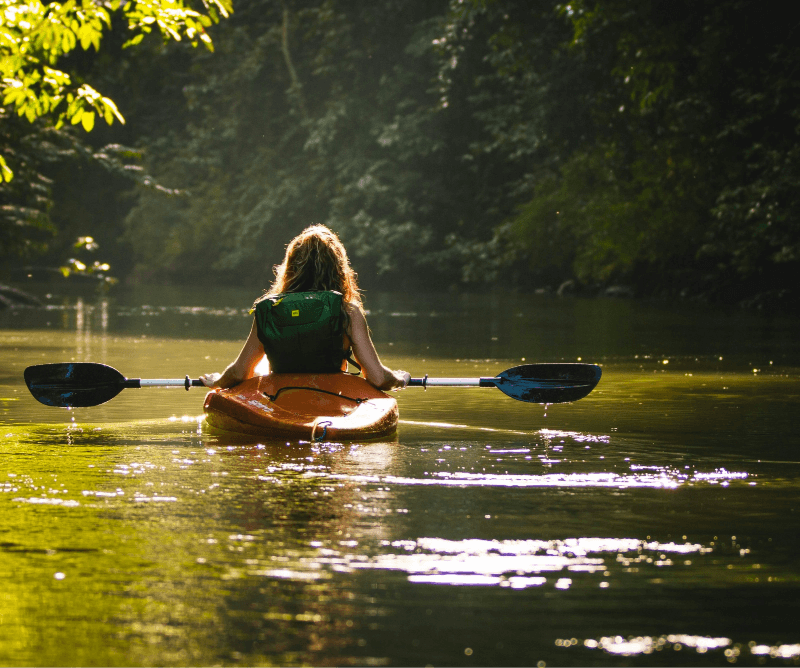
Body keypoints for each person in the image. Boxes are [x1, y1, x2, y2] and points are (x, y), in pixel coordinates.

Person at [200, 225, 410, 391]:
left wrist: (218, 380)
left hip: (280, 397)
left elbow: (239, 373)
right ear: (338, 269)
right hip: (332, 398)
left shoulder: (270, 310)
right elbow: (378, 378)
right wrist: (399, 378)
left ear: (290, 267)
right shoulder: (348, 312)